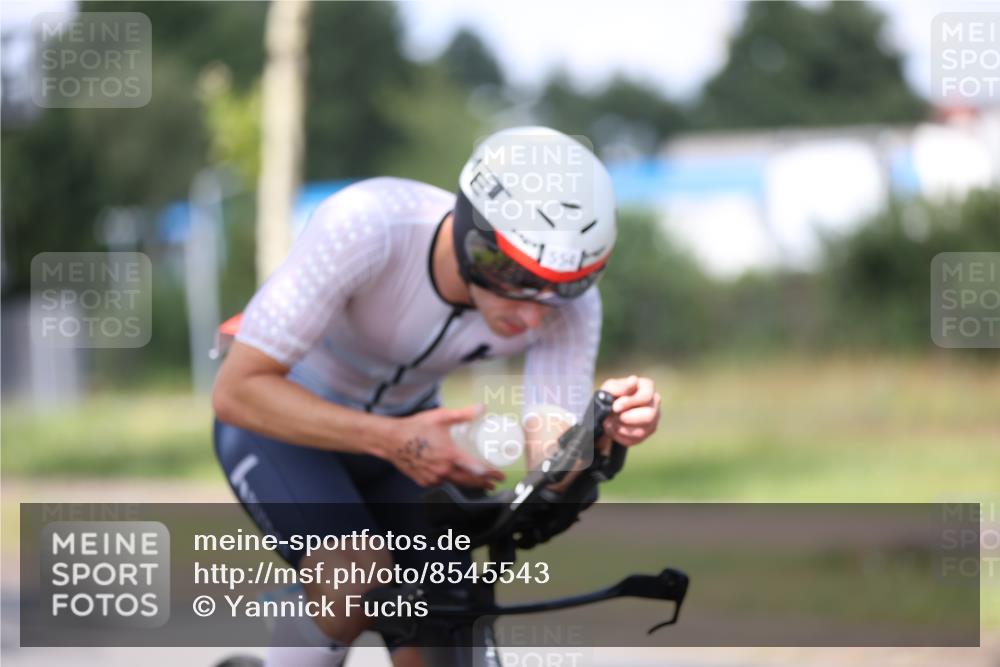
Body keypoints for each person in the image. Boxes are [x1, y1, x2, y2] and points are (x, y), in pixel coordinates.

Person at [211, 126, 662, 667]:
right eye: (517, 276)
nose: (536, 314)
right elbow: (237, 392)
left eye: (568, 285)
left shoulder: (570, 307)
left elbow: (550, 462)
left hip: (409, 437)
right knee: (357, 580)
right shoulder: (367, 225)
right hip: (283, 423)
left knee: (446, 619)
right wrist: (390, 437)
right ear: (475, 236)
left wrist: (598, 435)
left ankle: (310, 622)